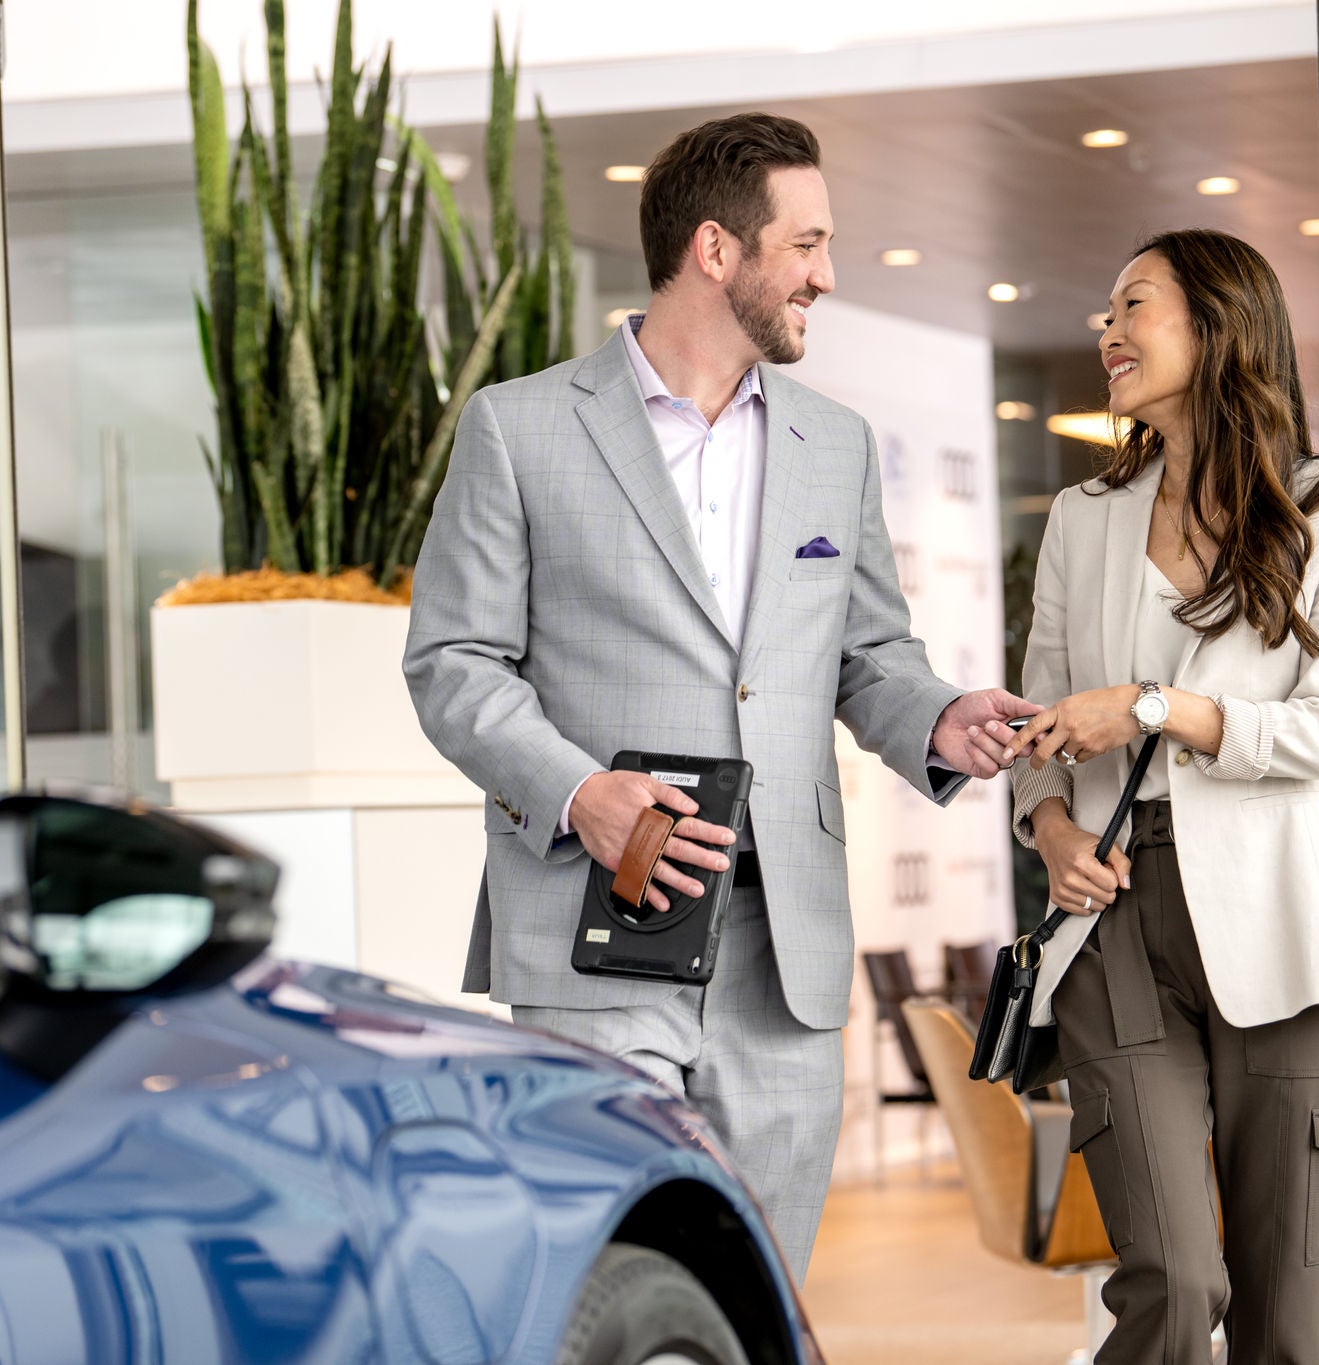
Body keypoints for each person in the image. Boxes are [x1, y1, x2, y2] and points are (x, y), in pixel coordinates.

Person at [402, 112, 1034, 1274]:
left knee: (755, 1291)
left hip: (775, 952)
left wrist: (933, 718)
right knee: (618, 1273)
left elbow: (862, 655)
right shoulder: (520, 428)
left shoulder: (830, 445)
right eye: (805, 245)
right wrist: (579, 791)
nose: (825, 275)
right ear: (715, 250)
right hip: (597, 933)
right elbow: (452, 663)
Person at [1003, 228, 1319, 1365]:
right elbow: (1041, 720)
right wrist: (1051, 828)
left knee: (1286, 1324)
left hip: (1288, 927)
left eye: (1133, 306)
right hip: (1116, 915)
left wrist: (1154, 707)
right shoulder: (1084, 515)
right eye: (1105, 311)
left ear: (1216, 326)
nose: (1105, 331)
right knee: (1172, 1285)